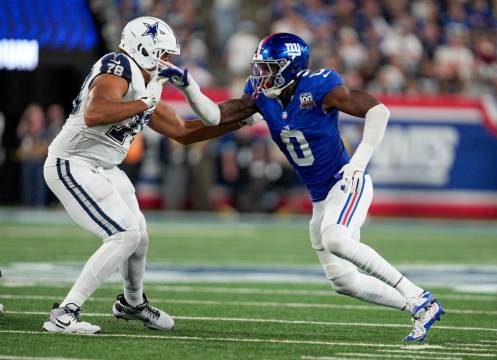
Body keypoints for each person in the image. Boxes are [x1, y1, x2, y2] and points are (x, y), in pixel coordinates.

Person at [160, 32, 444, 342]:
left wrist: (359, 162)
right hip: (321, 197)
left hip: (346, 181)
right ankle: (417, 307)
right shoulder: (260, 96)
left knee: (335, 239)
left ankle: (418, 296)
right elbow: (214, 116)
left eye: (269, 68)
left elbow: (379, 111)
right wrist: (190, 88)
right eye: (260, 67)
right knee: (343, 281)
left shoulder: (319, 86)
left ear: (290, 67)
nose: (261, 75)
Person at [43, 16, 249, 334]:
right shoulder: (118, 65)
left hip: (105, 167)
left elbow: (183, 131)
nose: (166, 61)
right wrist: (145, 102)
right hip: (72, 162)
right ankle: (66, 312)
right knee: (123, 234)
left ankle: (133, 303)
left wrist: (236, 122)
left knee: (139, 237)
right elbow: (95, 114)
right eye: (163, 53)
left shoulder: (145, 84)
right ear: (143, 49)